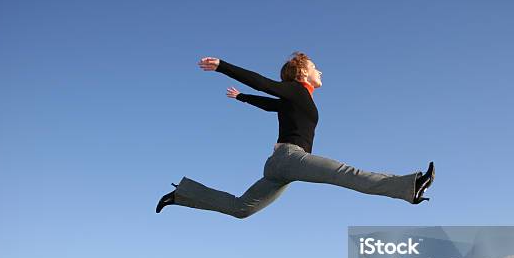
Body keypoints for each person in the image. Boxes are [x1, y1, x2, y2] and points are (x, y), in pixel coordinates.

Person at [156, 52, 435, 218]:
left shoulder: (298, 98)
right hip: (290, 159)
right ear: (302, 72)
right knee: (346, 173)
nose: (320, 70)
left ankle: (182, 194)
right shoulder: (296, 89)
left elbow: (270, 105)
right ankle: (410, 186)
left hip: (281, 165)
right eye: (315, 67)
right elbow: (266, 86)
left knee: (242, 208)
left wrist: (242, 97)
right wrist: (223, 66)